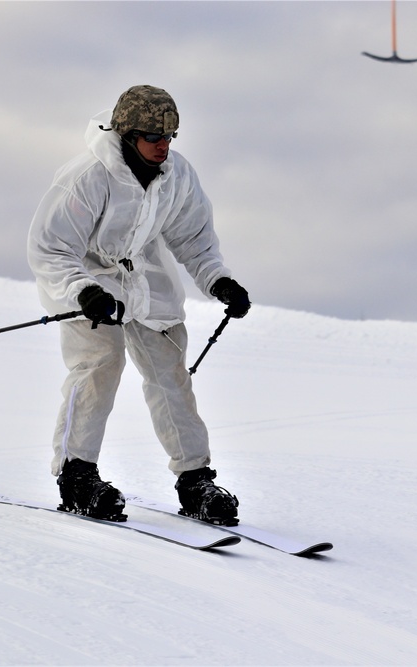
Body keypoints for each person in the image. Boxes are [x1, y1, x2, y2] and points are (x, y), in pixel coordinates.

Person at [26, 85, 250, 525]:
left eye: (170, 136)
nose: (164, 145)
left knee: (171, 375)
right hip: (88, 286)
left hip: (147, 283)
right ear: (128, 135)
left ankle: (195, 481)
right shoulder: (87, 177)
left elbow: (194, 239)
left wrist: (218, 281)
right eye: (153, 136)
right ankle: (77, 475)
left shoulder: (176, 175)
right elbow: (50, 247)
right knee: (100, 364)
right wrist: (83, 291)